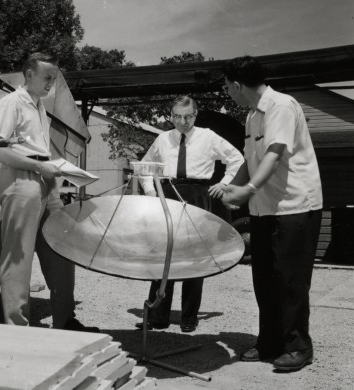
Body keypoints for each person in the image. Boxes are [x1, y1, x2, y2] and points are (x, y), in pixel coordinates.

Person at [221, 55, 322, 372]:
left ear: (238, 85)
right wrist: (230, 186)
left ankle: (298, 346)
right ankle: (269, 343)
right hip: (264, 209)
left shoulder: (280, 106)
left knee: (290, 280)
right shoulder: (252, 116)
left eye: (227, 87)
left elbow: (275, 153)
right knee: (264, 279)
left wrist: (247, 190)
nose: (227, 93)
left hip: (295, 206)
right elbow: (251, 159)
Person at [0, 52, 98, 332]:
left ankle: (65, 320)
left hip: (47, 181)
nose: (52, 82)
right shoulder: (10, 103)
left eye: (54, 77)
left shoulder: (38, 107)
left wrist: (55, 170)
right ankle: (17, 328)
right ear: (29, 74)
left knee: (61, 248)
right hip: (22, 181)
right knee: (19, 256)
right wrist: (38, 168)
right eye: (47, 77)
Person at [137, 96, 244, 333]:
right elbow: (145, 167)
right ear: (171, 116)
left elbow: (236, 158)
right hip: (168, 193)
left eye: (188, 116)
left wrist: (224, 183)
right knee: (165, 256)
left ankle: (189, 318)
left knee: (194, 258)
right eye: (177, 116)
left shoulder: (208, 136)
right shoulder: (163, 139)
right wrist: (151, 191)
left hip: (198, 194)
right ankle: (158, 317)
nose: (182, 121)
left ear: (195, 115)